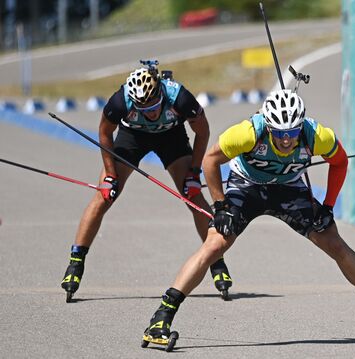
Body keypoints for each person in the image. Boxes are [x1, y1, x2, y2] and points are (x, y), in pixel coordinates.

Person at [142, 89, 355, 347]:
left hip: (289, 189)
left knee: (335, 243)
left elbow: (339, 162)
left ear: (300, 126)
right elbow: (211, 161)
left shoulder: (317, 136)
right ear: (268, 126)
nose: (285, 140)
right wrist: (220, 206)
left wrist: (327, 206)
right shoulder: (248, 133)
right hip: (247, 187)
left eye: (291, 133)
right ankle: (161, 317)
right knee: (215, 245)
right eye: (279, 133)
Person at [61, 61, 233, 302]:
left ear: (160, 93)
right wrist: (110, 175)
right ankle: (76, 262)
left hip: (170, 137)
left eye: (154, 105)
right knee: (104, 196)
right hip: (133, 137)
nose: (151, 112)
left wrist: (194, 173)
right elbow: (104, 133)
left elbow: (202, 132)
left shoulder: (180, 98)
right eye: (144, 108)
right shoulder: (120, 101)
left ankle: (216, 261)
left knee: (193, 195)